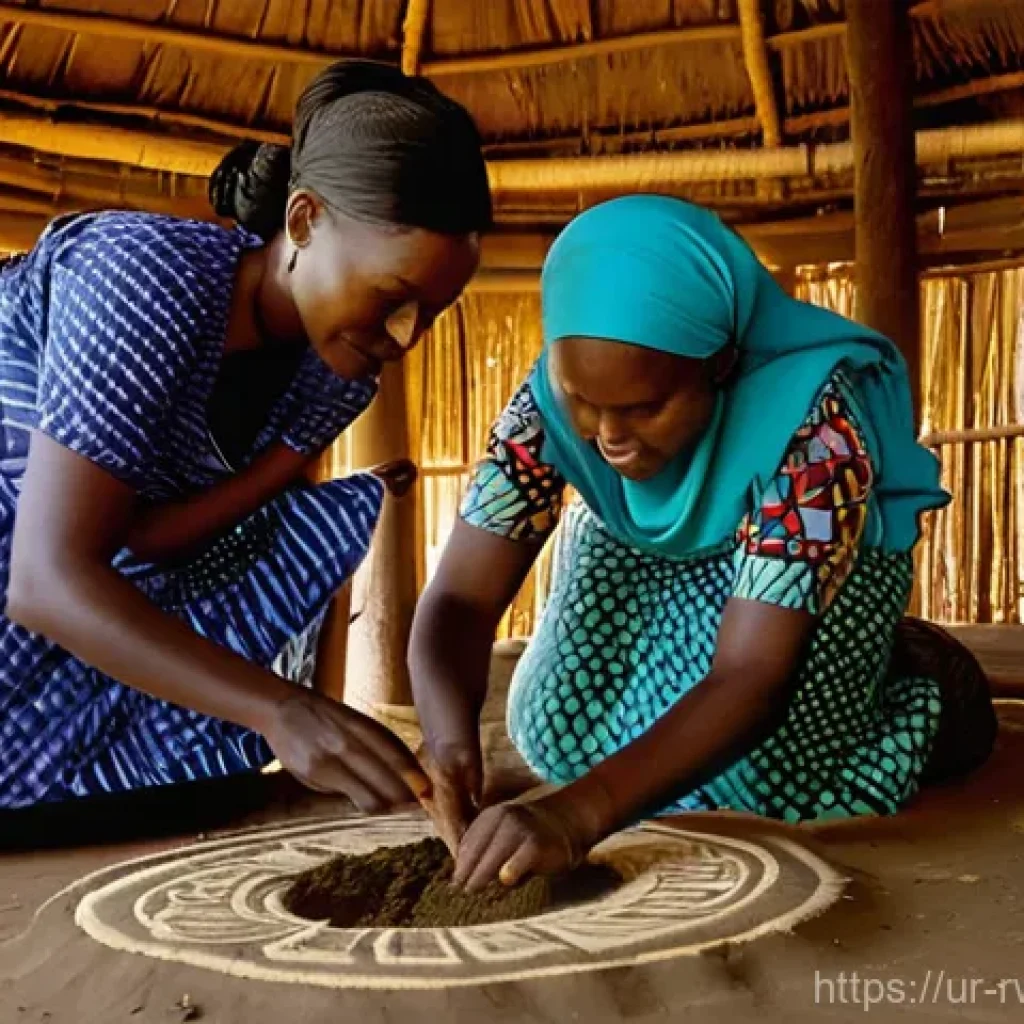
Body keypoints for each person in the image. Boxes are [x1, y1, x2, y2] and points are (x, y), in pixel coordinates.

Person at [409, 195, 997, 891]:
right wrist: (447, 740)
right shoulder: (546, 406)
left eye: (643, 407)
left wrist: (576, 816)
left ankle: (897, 679)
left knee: (764, 778)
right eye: (584, 401)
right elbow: (458, 598)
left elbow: (749, 679)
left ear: (720, 365)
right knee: (548, 727)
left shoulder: (818, 428)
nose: (607, 437)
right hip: (660, 564)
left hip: (795, 584)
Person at [0, 59, 492, 811]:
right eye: (395, 297)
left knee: (309, 519)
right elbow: (46, 579)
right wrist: (278, 708)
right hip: (30, 567)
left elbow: (148, 540)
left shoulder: (337, 378)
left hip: (80, 569)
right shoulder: (142, 279)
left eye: (433, 313)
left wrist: (283, 466)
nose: (407, 336)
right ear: (303, 221)